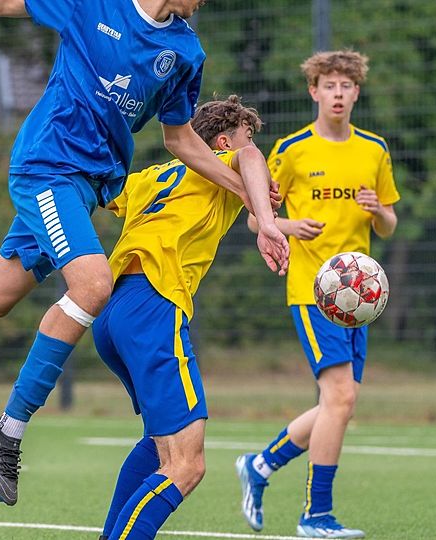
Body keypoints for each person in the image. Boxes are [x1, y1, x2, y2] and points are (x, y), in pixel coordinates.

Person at [0, 0, 284, 507]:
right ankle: (8, 429)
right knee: (94, 284)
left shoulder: (185, 50)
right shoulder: (92, 5)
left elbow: (180, 140)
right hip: (47, 167)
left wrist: (246, 194)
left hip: (88, 186)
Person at [93, 95, 287, 540]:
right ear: (223, 144)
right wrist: (266, 220)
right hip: (154, 305)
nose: (252, 147)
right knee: (186, 465)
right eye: (246, 136)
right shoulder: (224, 164)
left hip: (112, 311)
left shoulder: (154, 176)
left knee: (158, 444)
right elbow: (251, 159)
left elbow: (102, 193)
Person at [237, 50, 400, 539]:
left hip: (360, 300)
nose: (337, 94)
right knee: (340, 398)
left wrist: (378, 211)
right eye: (329, 85)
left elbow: (389, 225)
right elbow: (256, 220)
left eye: (346, 86)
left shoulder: (374, 149)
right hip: (315, 291)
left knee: (339, 404)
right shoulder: (291, 150)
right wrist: (289, 226)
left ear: (356, 92)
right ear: (314, 91)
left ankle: (260, 465)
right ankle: (316, 515)